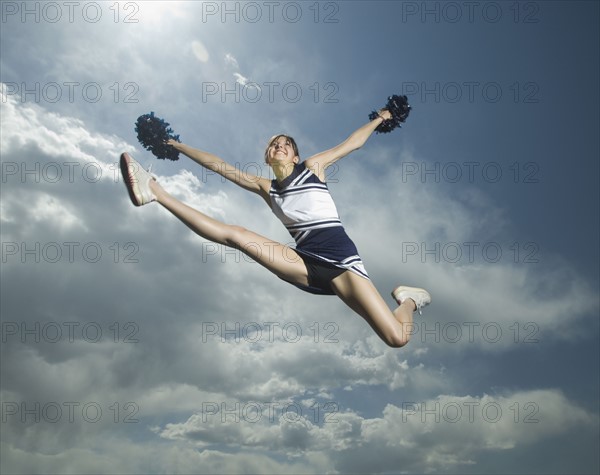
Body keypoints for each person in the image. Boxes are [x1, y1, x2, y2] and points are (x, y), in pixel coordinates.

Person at [120, 109, 431, 347]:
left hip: (342, 261)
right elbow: (217, 164)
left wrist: (380, 118)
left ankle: (408, 299)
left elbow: (352, 143)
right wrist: (176, 144)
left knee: (396, 337)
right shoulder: (265, 187)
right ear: (267, 157)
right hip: (304, 258)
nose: (279, 146)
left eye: (286, 144)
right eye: (273, 145)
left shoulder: (312, 168)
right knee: (236, 235)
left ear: (295, 155)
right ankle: (155, 192)